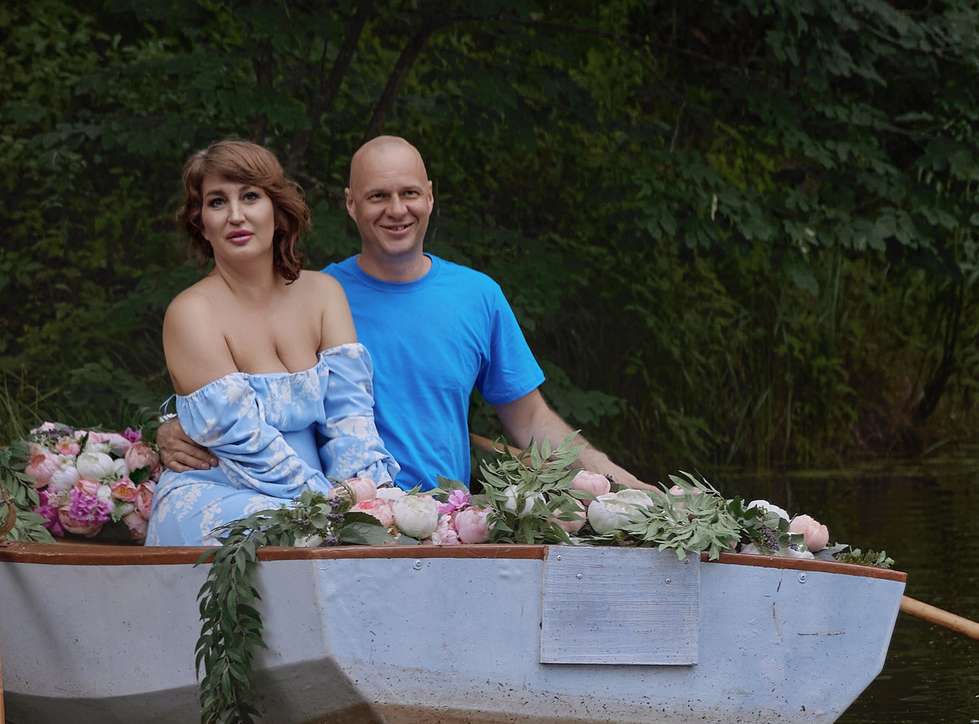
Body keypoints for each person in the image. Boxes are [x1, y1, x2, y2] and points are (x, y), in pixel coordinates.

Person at [158, 135, 646, 492]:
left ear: (430, 196)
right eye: (377, 196)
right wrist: (167, 426)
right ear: (351, 205)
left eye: (409, 193)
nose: (397, 210)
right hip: (337, 523)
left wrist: (622, 481)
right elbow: (232, 394)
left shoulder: (478, 295)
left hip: (445, 523)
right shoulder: (313, 296)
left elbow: (531, 419)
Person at [143, 139, 399, 546]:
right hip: (223, 498)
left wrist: (371, 494)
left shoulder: (323, 294)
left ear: (277, 211)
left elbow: (350, 420)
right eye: (216, 202)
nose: (236, 215)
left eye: (250, 196)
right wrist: (333, 509)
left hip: (316, 500)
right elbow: (248, 446)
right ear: (201, 223)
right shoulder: (192, 312)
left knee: (393, 524)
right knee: (296, 532)